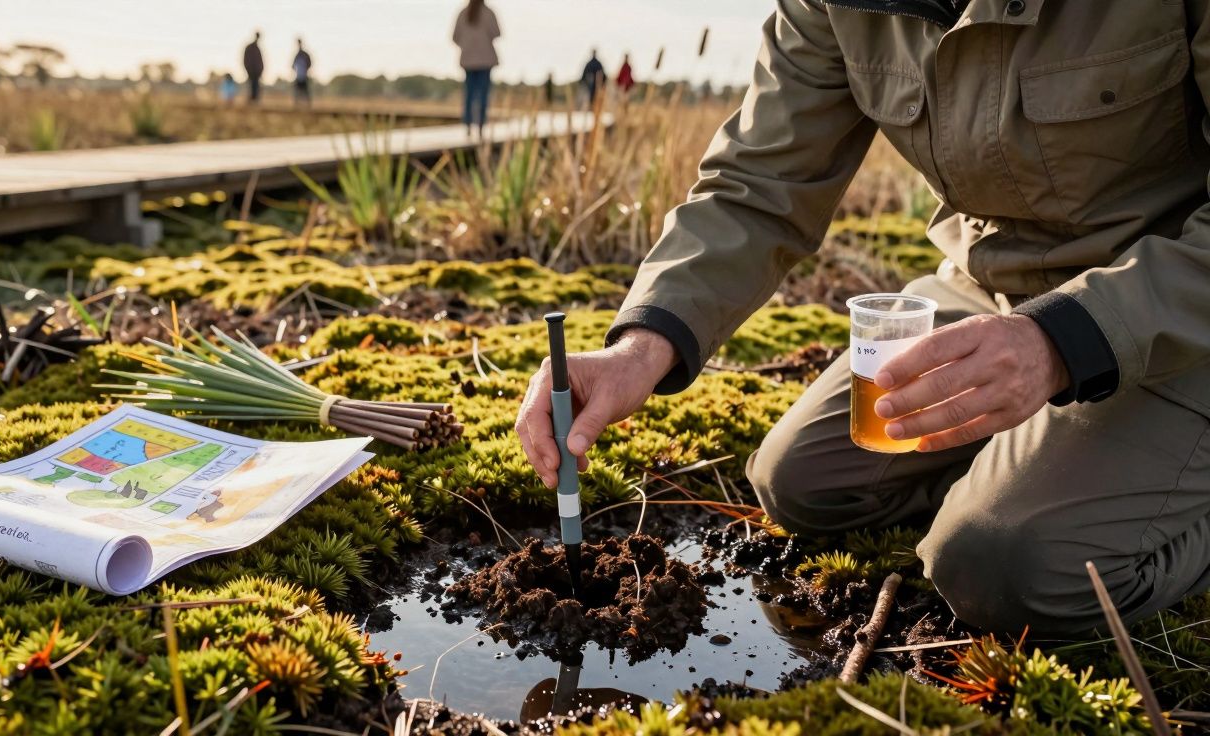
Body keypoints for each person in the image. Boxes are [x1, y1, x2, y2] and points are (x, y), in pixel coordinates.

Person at [517, 2, 1210, 637]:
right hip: (988, 292)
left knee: (1002, 568)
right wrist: (641, 349)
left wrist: (1060, 343)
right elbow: (756, 186)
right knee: (803, 483)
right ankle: (1049, 470)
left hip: (1176, 312)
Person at [451, 0, 501, 137]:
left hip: (468, 60)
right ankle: (480, 126)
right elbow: (497, 33)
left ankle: (467, 125)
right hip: (485, 60)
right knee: (483, 94)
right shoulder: (488, 13)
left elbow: (454, 37)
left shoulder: (463, 13)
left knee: (469, 93)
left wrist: (467, 45)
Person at [242, 31, 264, 104]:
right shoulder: (250, 47)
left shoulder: (257, 48)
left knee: (256, 87)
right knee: (251, 86)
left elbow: (260, 61)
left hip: (257, 72)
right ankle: (251, 101)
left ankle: (255, 101)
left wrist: (260, 70)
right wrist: (248, 69)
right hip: (251, 71)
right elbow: (246, 59)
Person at [292, 38, 313, 107]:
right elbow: (292, 65)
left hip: (304, 76)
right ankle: (297, 105)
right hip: (298, 76)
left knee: (305, 92)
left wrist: (305, 69)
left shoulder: (304, 55)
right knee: (297, 92)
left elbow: (309, 64)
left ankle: (308, 105)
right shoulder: (297, 55)